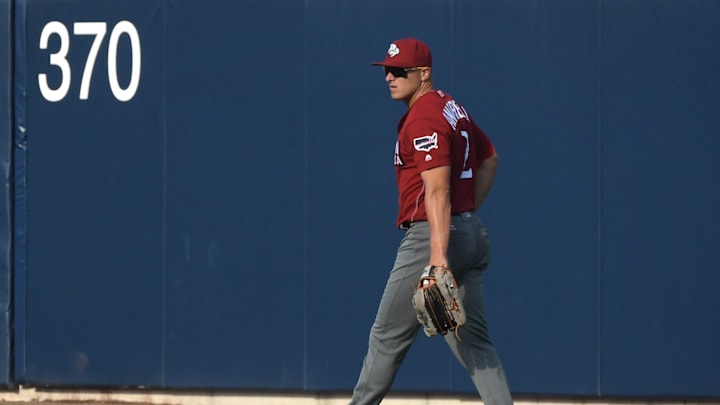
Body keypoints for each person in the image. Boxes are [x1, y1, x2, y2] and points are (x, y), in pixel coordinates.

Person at [348, 38, 513, 405]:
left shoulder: (423, 116)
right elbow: (490, 159)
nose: (390, 77)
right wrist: (465, 214)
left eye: (399, 71)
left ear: (423, 74)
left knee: (386, 337)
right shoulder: (450, 107)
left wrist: (438, 257)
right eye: (386, 70)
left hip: (432, 236)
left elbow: (436, 191)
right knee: (475, 343)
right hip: (467, 232)